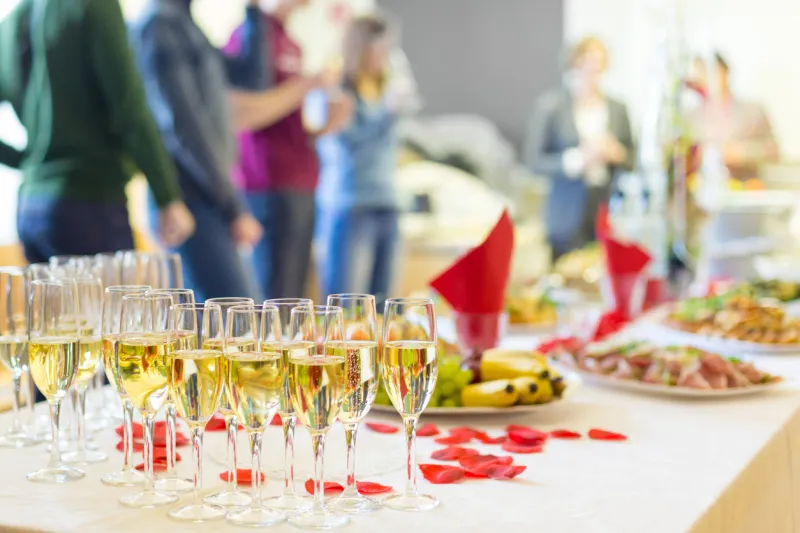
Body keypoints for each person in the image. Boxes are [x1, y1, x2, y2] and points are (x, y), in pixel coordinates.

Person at [0, 0, 194, 263]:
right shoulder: (94, 5)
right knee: (110, 305)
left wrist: (27, 160)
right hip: (88, 202)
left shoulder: (13, 21)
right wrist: (167, 195)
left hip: (31, 206)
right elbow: (129, 108)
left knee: (54, 306)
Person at [128, 0, 270, 301]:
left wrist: (254, 11)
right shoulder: (160, 25)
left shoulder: (186, 25)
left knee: (228, 324)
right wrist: (234, 205)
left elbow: (254, 80)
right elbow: (184, 128)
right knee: (236, 320)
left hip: (209, 196)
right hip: (190, 199)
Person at [225, 0, 354, 300]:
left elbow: (290, 123)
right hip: (267, 182)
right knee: (274, 299)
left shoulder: (292, 43)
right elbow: (243, 114)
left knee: (296, 299)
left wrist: (326, 125)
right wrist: (306, 85)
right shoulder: (249, 36)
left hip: (303, 180)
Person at [315, 15, 402, 308]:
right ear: (361, 48)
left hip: (387, 201)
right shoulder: (336, 91)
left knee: (383, 307)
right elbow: (346, 145)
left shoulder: (384, 88)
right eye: (379, 48)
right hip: (350, 204)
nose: (385, 55)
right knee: (345, 306)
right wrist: (389, 115)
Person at [524, 36, 634, 261]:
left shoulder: (617, 108)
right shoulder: (553, 106)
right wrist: (577, 159)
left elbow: (633, 159)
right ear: (575, 61)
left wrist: (616, 153)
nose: (593, 66)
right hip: (566, 209)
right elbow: (533, 162)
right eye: (587, 59)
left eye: (599, 60)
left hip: (607, 204)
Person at [688, 53, 779, 179]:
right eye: (701, 73)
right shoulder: (690, 117)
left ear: (725, 71)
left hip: (746, 189)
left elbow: (774, 151)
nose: (707, 79)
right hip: (703, 190)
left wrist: (743, 152)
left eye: (712, 72)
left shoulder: (753, 111)